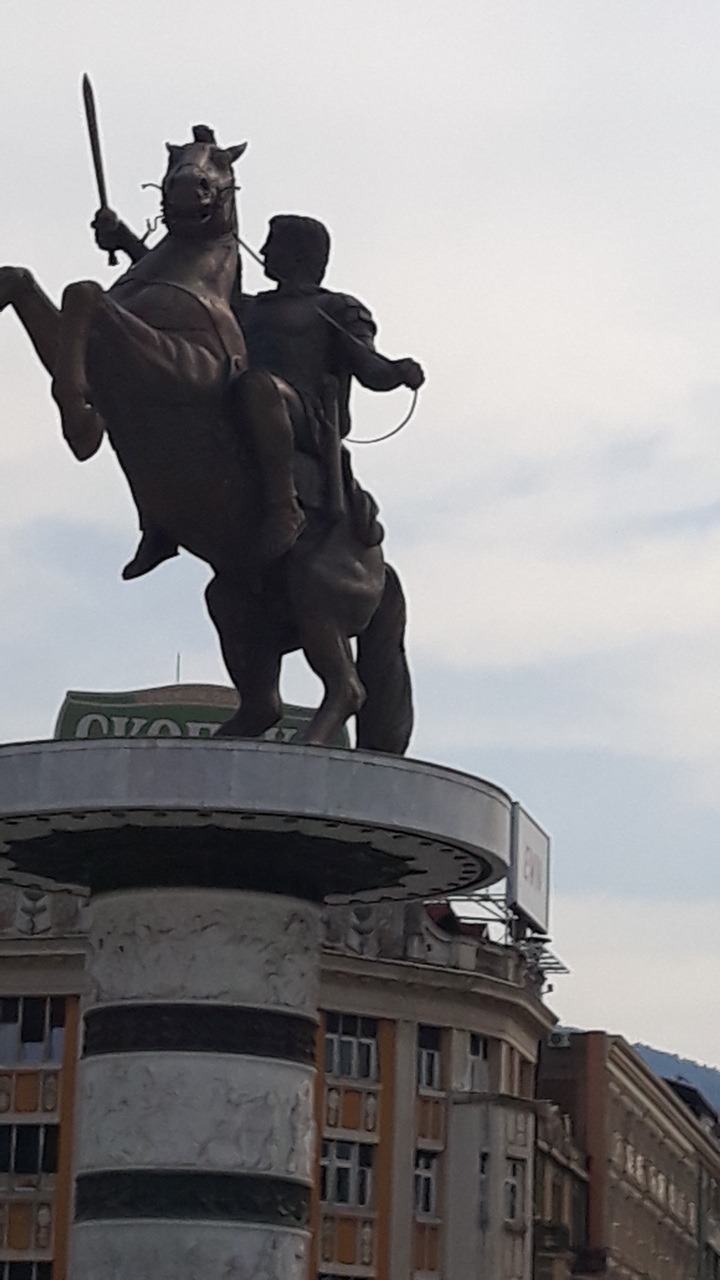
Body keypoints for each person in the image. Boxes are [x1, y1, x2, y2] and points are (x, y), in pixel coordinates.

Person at [93, 208, 424, 577]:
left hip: (303, 416)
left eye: (273, 244)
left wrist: (397, 371)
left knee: (258, 385)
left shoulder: (335, 307)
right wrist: (124, 239)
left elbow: (369, 365)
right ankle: (157, 520)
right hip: (240, 402)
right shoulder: (250, 307)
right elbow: (184, 286)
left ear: (298, 253)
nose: (263, 251)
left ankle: (284, 507)